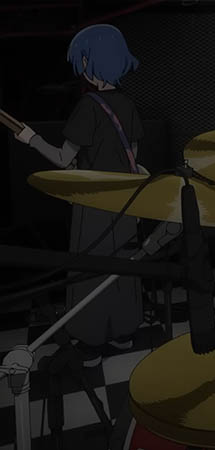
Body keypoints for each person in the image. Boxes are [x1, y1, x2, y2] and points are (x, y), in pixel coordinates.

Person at [15, 24, 145, 367]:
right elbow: (132, 156)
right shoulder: (128, 104)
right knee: (122, 268)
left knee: (90, 269)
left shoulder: (88, 106)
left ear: (92, 61)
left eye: (83, 58)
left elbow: (63, 158)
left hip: (93, 203)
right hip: (125, 201)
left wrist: (31, 139)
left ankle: (91, 342)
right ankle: (123, 333)